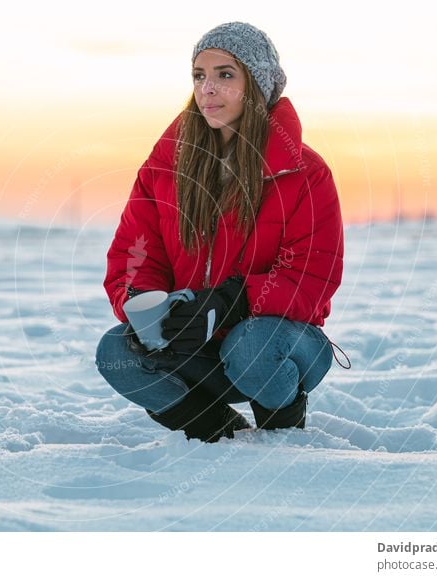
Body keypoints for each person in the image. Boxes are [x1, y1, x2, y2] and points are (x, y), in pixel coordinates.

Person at [95, 22, 344, 443]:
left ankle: (282, 431)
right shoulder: (163, 169)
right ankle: (217, 431)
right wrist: (145, 305)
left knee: (251, 346)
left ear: (257, 84)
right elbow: (134, 255)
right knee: (116, 351)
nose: (207, 88)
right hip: (195, 346)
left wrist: (234, 300)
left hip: (277, 343)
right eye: (199, 75)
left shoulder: (305, 174)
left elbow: (312, 277)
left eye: (225, 74)